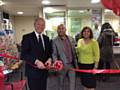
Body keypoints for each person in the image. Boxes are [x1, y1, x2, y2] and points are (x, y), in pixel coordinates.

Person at [21, 17, 52, 90]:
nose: (40, 26)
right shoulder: (27, 37)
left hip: (44, 71)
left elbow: (49, 52)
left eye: (43, 25)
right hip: (32, 72)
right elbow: (24, 54)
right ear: (34, 25)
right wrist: (36, 61)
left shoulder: (46, 38)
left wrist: (49, 59)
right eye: (38, 24)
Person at [52, 24, 78, 90]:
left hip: (72, 65)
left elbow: (74, 51)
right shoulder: (54, 41)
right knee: (60, 84)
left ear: (65, 30)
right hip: (61, 66)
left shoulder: (71, 38)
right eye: (59, 29)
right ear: (57, 30)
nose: (61, 30)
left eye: (62, 28)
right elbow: (54, 54)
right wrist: (57, 63)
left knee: (73, 83)